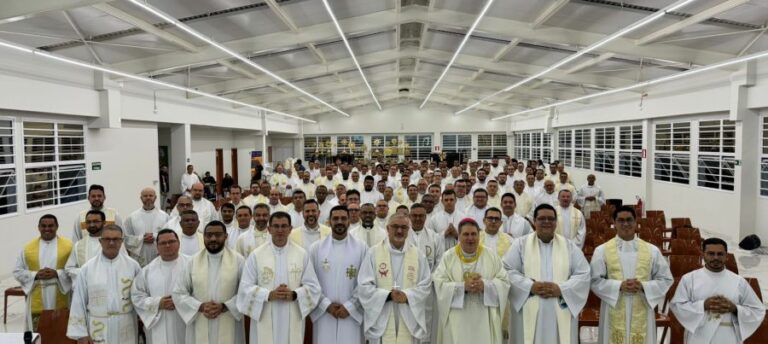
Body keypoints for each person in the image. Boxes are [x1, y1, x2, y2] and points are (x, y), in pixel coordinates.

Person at [503, 204, 591, 344]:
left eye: (551, 219)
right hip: (528, 309)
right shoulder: (520, 244)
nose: (546, 222)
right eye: (542, 218)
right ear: (534, 221)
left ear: (556, 222)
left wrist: (561, 289)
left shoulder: (569, 246)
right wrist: (529, 286)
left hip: (559, 308)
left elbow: (583, 274)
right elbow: (506, 271)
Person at [590, 206, 673, 344]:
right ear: (614, 223)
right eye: (621, 220)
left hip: (642, 305)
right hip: (613, 305)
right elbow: (594, 280)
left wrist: (643, 286)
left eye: (629, 220)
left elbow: (666, 279)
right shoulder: (602, 250)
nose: (625, 224)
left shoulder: (652, 251)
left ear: (636, 222)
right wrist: (618, 286)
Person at [236, 212, 322, 344]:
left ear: (290, 229)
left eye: (284, 226)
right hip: (264, 313)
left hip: (292, 312)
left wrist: (294, 294)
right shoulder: (256, 255)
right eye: (276, 226)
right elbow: (244, 288)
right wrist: (268, 295)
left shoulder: (302, 254)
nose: (280, 230)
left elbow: (313, 287)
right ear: (269, 229)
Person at [670, 238, 765, 343]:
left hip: (728, 336)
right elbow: (677, 306)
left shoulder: (739, 282)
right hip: (699, 335)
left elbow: (758, 310)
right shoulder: (689, 279)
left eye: (720, 254)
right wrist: (703, 305)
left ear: (726, 256)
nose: (716, 257)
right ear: (703, 254)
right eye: (711, 253)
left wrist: (735, 309)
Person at [433, 218, 511, 344]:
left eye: (474, 234)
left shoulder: (491, 256)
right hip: (457, 318)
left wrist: (485, 286)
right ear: (459, 236)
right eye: (466, 234)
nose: (470, 238)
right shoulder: (448, 257)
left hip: (484, 317)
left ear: (479, 235)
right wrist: (463, 287)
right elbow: (439, 283)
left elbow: (504, 281)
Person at [357, 214, 432, 343]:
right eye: (395, 227)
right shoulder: (373, 253)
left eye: (403, 227)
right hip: (382, 318)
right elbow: (364, 286)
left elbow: (426, 285)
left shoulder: (418, 255)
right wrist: (387, 296)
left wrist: (407, 296)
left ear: (408, 230)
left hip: (409, 318)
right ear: (387, 228)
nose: (399, 231)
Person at [173, 221, 245, 344]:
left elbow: (246, 291)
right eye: (209, 235)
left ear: (226, 236)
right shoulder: (193, 261)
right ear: (204, 236)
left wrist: (225, 306)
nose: (213, 239)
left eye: (218, 235)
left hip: (229, 319)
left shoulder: (238, 260)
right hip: (200, 318)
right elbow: (179, 293)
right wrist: (200, 306)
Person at [67, 225, 141, 343]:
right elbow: (78, 301)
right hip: (98, 325)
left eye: (116, 239)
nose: (111, 243)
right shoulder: (87, 268)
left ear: (121, 242)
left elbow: (140, 296)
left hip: (126, 325)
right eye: (107, 239)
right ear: (100, 241)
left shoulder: (133, 266)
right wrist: (81, 334)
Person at [309, 205, 368, 343]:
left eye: (343, 218)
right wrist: (326, 305)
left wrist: (350, 307)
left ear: (349, 221)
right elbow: (311, 282)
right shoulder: (316, 248)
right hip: (324, 313)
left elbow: (365, 282)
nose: (339, 222)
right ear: (329, 221)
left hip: (351, 314)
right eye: (335, 218)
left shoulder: (362, 247)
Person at [14, 214, 73, 335]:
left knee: (60, 333)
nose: (47, 229)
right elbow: (17, 271)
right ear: (38, 227)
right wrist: (35, 275)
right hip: (37, 292)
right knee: (39, 334)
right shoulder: (28, 248)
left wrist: (57, 273)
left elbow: (75, 270)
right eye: (43, 226)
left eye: (51, 225)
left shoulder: (68, 246)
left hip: (61, 292)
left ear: (57, 226)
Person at [132, 229, 189, 344]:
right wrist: (158, 303)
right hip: (158, 324)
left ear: (179, 243)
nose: (167, 245)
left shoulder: (192, 264)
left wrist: (182, 301)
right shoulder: (147, 271)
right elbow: (137, 296)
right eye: (163, 243)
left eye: (171, 241)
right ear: (157, 247)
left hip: (185, 322)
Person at [124, 187, 170, 266]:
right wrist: (142, 238)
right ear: (141, 198)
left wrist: (155, 236)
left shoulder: (165, 216)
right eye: (145, 196)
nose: (148, 198)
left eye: (150, 195)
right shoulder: (132, 217)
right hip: (139, 256)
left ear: (155, 197)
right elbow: (126, 238)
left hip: (159, 254)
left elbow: (170, 235)